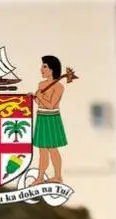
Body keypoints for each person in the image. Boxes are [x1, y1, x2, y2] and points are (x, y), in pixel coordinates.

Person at [35, 57, 78, 186]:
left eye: (44, 66)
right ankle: (40, 177)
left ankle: (58, 176)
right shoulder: (41, 84)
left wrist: (40, 96)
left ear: (52, 69)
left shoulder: (59, 87)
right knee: (42, 150)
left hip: (51, 118)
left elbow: (51, 105)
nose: (41, 69)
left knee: (52, 148)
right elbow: (39, 103)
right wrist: (35, 97)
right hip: (41, 117)